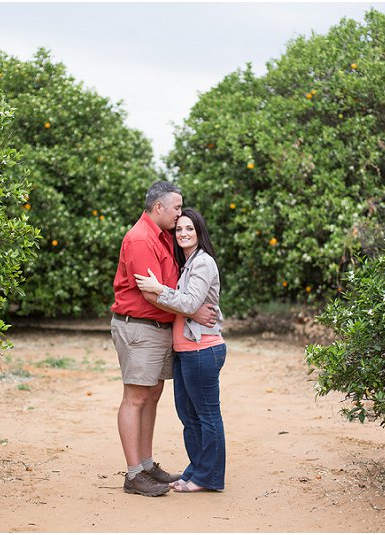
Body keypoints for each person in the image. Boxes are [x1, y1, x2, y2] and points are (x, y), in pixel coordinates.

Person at [110, 182, 217, 497]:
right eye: (176, 208)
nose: (180, 214)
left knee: (152, 394)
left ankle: (146, 464)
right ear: (159, 208)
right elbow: (150, 292)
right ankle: (133, 474)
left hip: (158, 328)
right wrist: (193, 312)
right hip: (139, 327)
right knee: (135, 397)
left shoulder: (162, 236)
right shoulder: (141, 239)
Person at [135, 208, 226, 493]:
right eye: (179, 229)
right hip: (185, 351)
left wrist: (158, 288)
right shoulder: (186, 264)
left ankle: (208, 478)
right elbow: (188, 306)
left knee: (207, 416)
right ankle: (197, 469)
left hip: (203, 350)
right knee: (188, 416)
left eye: (190, 229)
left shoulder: (203, 263)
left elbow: (188, 304)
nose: (183, 234)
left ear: (200, 232)